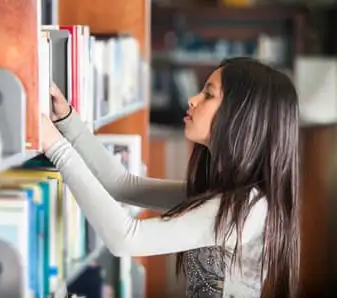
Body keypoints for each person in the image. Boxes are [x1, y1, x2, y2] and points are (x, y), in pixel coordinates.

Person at [40, 57, 300, 298]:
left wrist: (56, 147)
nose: (192, 99)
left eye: (208, 94)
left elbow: (126, 239)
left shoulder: (244, 208)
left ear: (243, 118)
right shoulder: (223, 193)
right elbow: (122, 185)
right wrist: (66, 120)